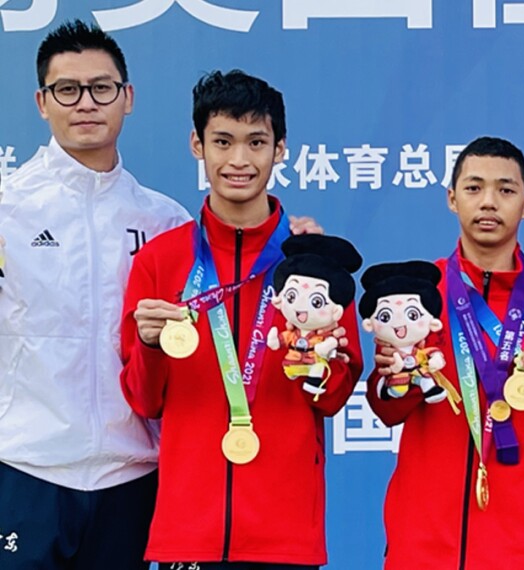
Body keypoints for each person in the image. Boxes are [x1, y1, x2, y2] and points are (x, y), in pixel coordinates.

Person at [120, 69, 363, 569]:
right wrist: (149, 345)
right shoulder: (160, 261)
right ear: (197, 145)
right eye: (222, 141)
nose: (238, 160)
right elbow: (145, 401)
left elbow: (335, 396)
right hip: (186, 531)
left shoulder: (314, 266)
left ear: (280, 149)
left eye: (256, 142)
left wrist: (319, 359)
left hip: (285, 532)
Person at [0, 20, 191, 570]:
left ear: (127, 98)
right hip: (25, 468)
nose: (86, 103)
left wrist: (294, 250)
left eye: (101, 88)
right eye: (67, 90)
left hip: (131, 474)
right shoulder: (9, 207)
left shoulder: (163, 220)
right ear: (42, 102)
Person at [367, 136, 524, 570]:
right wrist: (395, 378)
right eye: (474, 188)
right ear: (452, 199)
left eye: (506, 190)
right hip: (423, 546)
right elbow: (387, 410)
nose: (489, 203)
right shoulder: (416, 297)